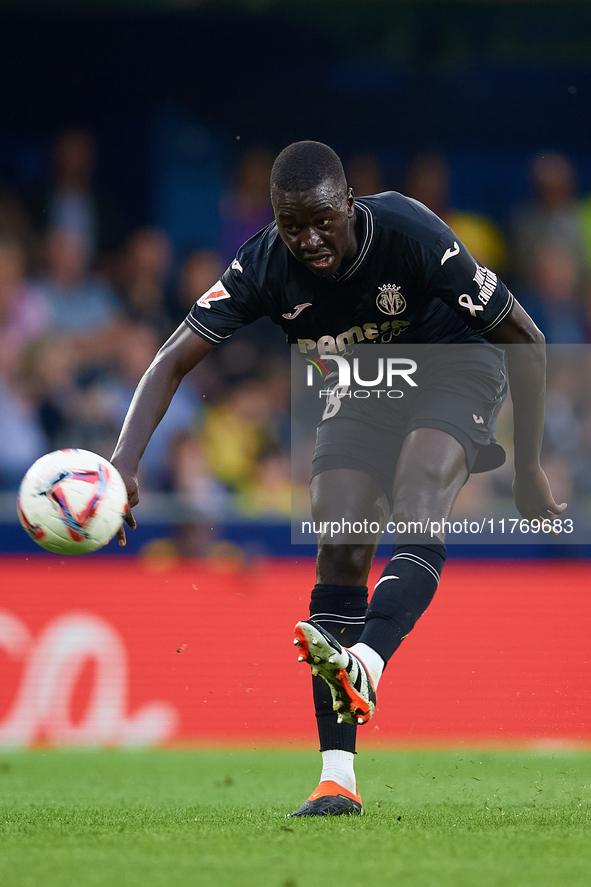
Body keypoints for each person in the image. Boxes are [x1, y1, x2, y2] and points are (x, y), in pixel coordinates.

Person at [110, 141, 566, 818]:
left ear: (348, 203)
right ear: (274, 220)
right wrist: (123, 460)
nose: (309, 239)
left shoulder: (414, 235)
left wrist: (526, 464)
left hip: (453, 365)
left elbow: (525, 338)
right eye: (292, 226)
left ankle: (368, 663)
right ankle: (336, 779)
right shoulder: (262, 265)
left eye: (323, 220)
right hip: (355, 386)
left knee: (417, 502)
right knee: (341, 546)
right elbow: (173, 358)